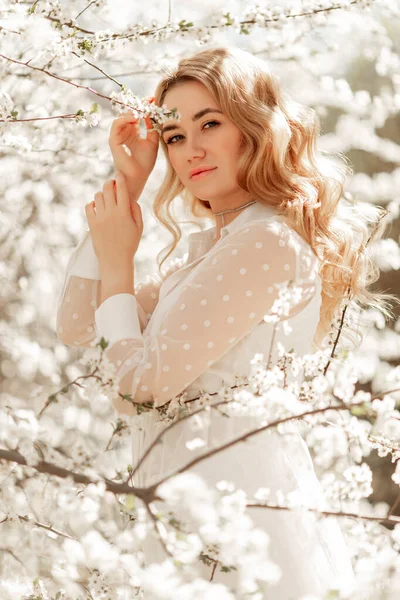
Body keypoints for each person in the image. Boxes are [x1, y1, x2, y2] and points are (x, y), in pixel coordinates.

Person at [56, 45, 395, 598]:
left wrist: (119, 260)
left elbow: (138, 389)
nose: (191, 149)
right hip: (177, 508)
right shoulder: (204, 253)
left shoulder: (265, 242)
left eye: (209, 123)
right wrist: (128, 189)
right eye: (174, 136)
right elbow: (76, 327)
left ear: (254, 127)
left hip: (234, 515)